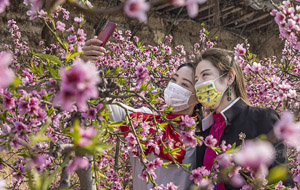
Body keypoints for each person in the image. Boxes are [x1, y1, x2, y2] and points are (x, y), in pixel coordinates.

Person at [80, 38, 202, 189]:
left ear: (198, 97)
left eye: (184, 84)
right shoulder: (143, 121)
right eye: (174, 80)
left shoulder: (202, 137)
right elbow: (96, 104)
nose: (175, 87)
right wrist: (82, 66)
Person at [193, 48, 283, 190]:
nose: (199, 84)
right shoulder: (204, 131)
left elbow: (282, 180)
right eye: (196, 79)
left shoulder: (262, 118)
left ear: (229, 77)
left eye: (205, 75)